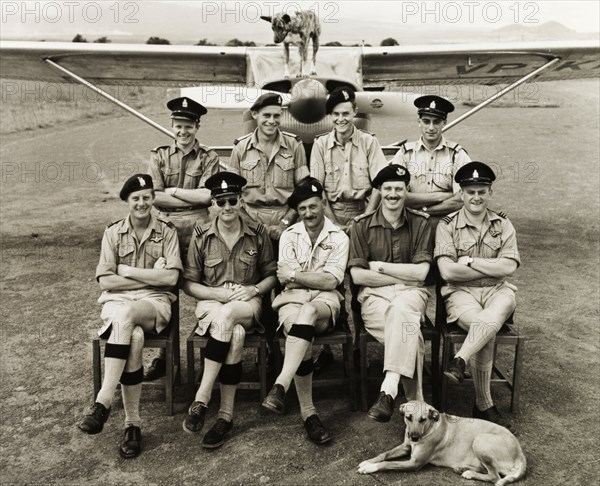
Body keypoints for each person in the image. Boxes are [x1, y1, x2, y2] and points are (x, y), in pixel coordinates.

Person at [78, 174, 182, 459]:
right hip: (118, 300)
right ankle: (132, 425)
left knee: (127, 316)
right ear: (127, 201)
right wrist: (151, 277)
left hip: (153, 304)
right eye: (136, 198)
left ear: (153, 199)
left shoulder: (167, 232)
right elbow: (105, 282)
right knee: (133, 336)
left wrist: (128, 272)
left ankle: (103, 400)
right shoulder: (112, 232)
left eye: (147, 197)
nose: (142, 203)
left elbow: (171, 279)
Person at [181, 171, 277, 448]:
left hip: (248, 302)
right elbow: (189, 284)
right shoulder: (201, 236)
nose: (227, 208)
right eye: (220, 202)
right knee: (233, 333)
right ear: (212, 204)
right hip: (212, 302)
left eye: (232, 201)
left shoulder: (257, 234)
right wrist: (216, 293)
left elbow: (272, 275)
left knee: (230, 315)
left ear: (241, 201)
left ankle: (202, 397)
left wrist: (254, 289)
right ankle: (225, 416)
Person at [261, 177, 349, 444]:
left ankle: (283, 386)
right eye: (302, 209)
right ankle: (309, 415)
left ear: (322, 204)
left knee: (308, 314)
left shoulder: (339, 237)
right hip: (292, 301)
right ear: (297, 212)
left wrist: (298, 275)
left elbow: (331, 281)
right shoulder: (289, 235)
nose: (308, 213)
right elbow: (284, 278)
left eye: (313, 206)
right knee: (302, 327)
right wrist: (307, 277)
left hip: (325, 302)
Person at [435, 161, 520, 429]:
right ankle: (484, 404)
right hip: (461, 294)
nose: (476, 197)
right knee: (485, 327)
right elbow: (447, 271)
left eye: (482, 191)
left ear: (490, 192)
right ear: (461, 193)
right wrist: (489, 269)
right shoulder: (446, 225)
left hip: (497, 291)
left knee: (507, 299)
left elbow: (510, 267)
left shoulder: (503, 223)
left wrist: (469, 262)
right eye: (471, 191)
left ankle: (460, 359)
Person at [310, 87, 388, 373]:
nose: (341, 119)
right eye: (336, 114)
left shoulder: (369, 142)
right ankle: (328, 347)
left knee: (359, 282)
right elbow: (316, 188)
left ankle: (357, 346)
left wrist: (366, 216)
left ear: (355, 113)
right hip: (329, 216)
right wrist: (330, 220)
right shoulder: (320, 145)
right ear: (330, 116)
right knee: (327, 280)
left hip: (362, 215)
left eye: (346, 113)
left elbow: (380, 182)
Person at [145, 96, 222, 381]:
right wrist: (185, 196)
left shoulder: (209, 157)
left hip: (201, 231)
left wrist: (173, 191)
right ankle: (166, 357)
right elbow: (154, 196)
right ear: (172, 126)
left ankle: (216, 349)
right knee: (167, 293)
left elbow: (207, 195)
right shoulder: (160, 155)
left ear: (197, 126)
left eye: (188, 126)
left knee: (208, 287)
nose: (183, 132)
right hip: (167, 233)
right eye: (178, 126)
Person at [348, 164, 432, 422]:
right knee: (411, 336)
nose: (393, 194)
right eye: (388, 189)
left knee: (401, 310)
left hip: (411, 295)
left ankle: (388, 389)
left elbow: (421, 274)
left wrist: (381, 267)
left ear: (406, 190)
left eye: (398, 188)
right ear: (379, 191)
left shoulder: (420, 223)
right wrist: (403, 274)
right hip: (374, 297)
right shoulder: (361, 225)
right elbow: (358, 276)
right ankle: (416, 406)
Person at [225, 93, 309, 242]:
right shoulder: (240, 148)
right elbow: (231, 194)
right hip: (249, 221)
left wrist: (285, 223)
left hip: (286, 220)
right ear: (255, 114)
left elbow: (303, 191)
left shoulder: (294, 145)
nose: (272, 121)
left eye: (276, 116)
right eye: (267, 115)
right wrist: (253, 225)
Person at [391, 95, 471, 225]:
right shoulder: (405, 154)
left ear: (444, 122)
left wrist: (424, 210)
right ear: (419, 121)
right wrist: (441, 196)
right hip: (411, 226)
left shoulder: (457, 154)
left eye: (437, 122)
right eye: (426, 121)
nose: (431, 128)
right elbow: (397, 195)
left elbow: (462, 199)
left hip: (447, 225)